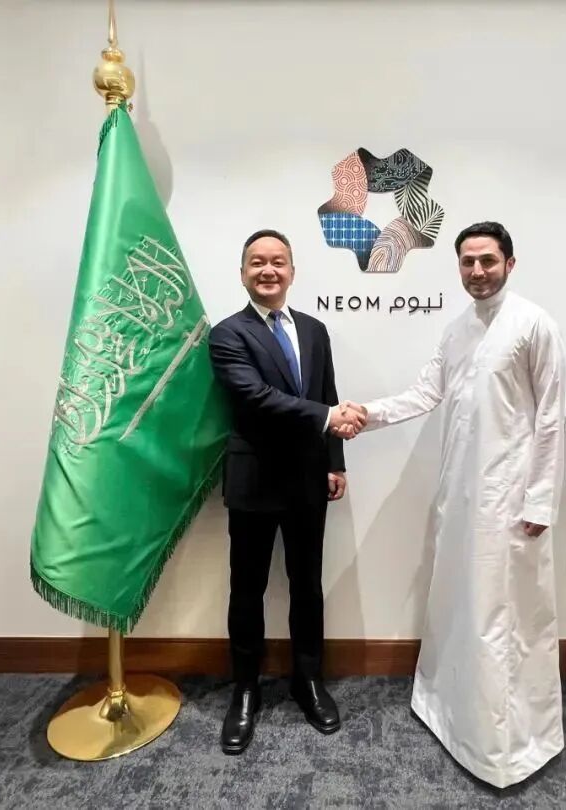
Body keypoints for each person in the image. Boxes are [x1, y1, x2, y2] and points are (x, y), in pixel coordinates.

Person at [344, 222, 566, 788]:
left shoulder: (534, 325)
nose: (477, 271)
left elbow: (550, 419)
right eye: (467, 262)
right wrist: (367, 414)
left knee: (502, 616)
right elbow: (427, 391)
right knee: (461, 604)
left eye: (487, 260)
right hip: (462, 493)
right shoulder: (457, 329)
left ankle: (505, 745)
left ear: (510, 263)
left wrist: (540, 501)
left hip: (510, 500)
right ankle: (451, 714)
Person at [208, 229, 365, 755]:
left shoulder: (315, 330)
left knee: (307, 585)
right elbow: (254, 397)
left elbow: (327, 394)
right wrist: (328, 417)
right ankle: (245, 690)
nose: (268, 270)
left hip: (307, 480)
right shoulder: (227, 334)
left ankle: (308, 680)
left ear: (292, 272)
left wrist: (335, 461)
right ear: (243, 274)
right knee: (246, 589)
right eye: (257, 262)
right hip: (254, 480)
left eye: (277, 261)